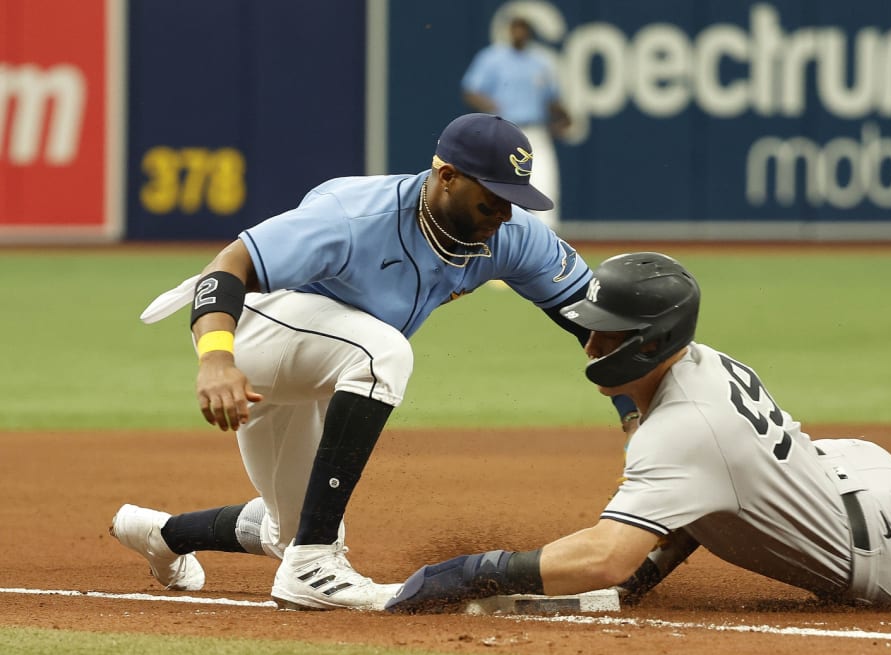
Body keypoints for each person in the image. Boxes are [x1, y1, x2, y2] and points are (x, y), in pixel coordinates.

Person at [386, 252, 891, 614]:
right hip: (841, 478)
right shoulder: (699, 364)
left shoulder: (681, 430)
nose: (592, 344)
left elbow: (605, 555)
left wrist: (473, 572)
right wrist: (656, 562)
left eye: (607, 332)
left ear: (652, 343)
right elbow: (704, 501)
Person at [110, 113, 637, 611]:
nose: (503, 215)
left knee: (288, 526)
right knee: (382, 353)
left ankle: (161, 535)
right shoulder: (355, 216)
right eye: (492, 200)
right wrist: (216, 360)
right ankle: (312, 563)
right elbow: (228, 267)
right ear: (447, 177)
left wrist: (636, 419)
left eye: (513, 200)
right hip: (256, 329)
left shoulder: (510, 235)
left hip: (321, 355)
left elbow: (595, 321)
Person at [461, 15, 571, 228]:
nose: (519, 33)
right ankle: (489, 227)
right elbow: (471, 91)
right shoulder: (492, 58)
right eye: (516, 29)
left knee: (546, 182)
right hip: (504, 129)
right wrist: (493, 108)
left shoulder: (539, 62)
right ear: (509, 31)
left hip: (534, 130)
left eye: (523, 29)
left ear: (529, 33)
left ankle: (549, 235)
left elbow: (550, 98)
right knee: (493, 180)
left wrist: (565, 116)